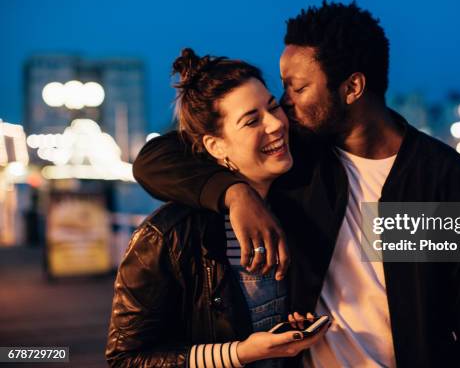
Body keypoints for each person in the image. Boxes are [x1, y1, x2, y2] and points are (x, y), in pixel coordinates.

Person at [133, 2, 460, 367]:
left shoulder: (452, 182)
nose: (283, 105)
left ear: (352, 88)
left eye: (297, 89)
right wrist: (235, 194)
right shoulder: (297, 158)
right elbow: (155, 160)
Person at [105, 49, 328, 368]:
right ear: (215, 146)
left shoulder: (291, 205)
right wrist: (239, 353)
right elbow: (126, 359)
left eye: (273, 107)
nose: (276, 124)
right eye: (252, 120)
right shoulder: (168, 235)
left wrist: (289, 326)